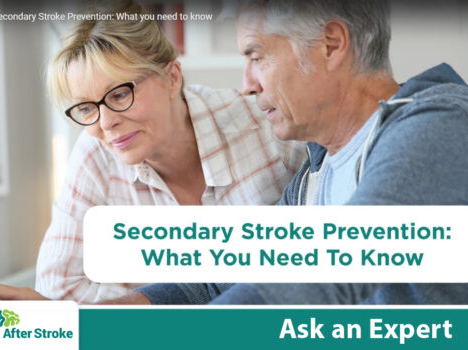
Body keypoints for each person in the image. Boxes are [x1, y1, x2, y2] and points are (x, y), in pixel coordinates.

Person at [82, 0, 468, 305]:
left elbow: (338, 263)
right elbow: (227, 275)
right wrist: (122, 312)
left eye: (256, 56)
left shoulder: (435, 124)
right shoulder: (314, 178)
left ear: (330, 44)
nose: (247, 85)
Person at [0, 0, 306, 302]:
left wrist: (142, 296)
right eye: (86, 108)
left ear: (173, 77)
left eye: (118, 95)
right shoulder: (94, 156)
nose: (106, 123)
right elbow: (57, 288)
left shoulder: (262, 124)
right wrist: (158, 299)